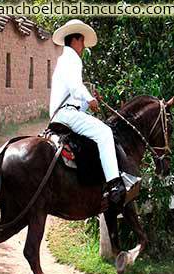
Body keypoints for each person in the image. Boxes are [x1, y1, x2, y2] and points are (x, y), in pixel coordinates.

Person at [50, 19, 125, 205]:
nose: (83, 46)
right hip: (66, 115)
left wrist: (89, 98)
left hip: (65, 112)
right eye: (82, 42)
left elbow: (74, 99)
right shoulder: (71, 58)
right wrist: (89, 98)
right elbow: (76, 88)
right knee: (105, 132)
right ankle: (114, 184)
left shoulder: (65, 59)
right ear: (75, 40)